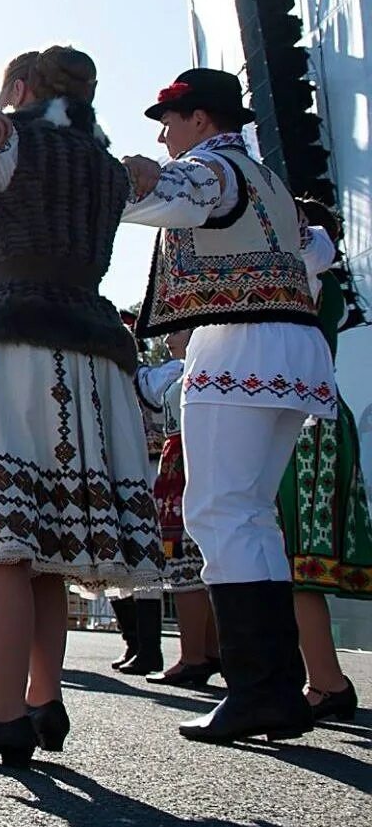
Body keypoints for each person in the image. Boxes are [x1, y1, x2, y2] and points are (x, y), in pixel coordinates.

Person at [0, 46, 165, 766]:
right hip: (93, 353)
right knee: (48, 543)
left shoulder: (8, 142)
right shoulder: (107, 168)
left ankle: (6, 713)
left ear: (19, 88)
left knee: (5, 535)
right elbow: (162, 189)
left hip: (19, 344)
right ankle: (44, 697)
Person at [120, 67, 337, 743]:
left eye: (170, 122)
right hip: (292, 346)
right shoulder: (270, 181)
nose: (163, 136)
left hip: (239, 345)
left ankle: (258, 689)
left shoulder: (214, 167)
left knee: (216, 509)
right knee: (251, 515)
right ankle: (275, 688)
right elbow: (318, 250)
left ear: (202, 121)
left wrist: (124, 181)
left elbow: (182, 193)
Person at [276, 199, 366, 724]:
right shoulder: (323, 284)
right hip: (317, 412)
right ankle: (319, 675)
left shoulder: (311, 276)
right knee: (293, 555)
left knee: (297, 557)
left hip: (308, 419)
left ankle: (326, 680)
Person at [140, 330, 216, 688]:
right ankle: (209, 650)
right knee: (193, 563)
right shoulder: (180, 370)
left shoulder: (199, 368)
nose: (169, 336)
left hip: (191, 464)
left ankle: (194, 656)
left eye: (178, 328)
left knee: (190, 563)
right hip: (178, 465)